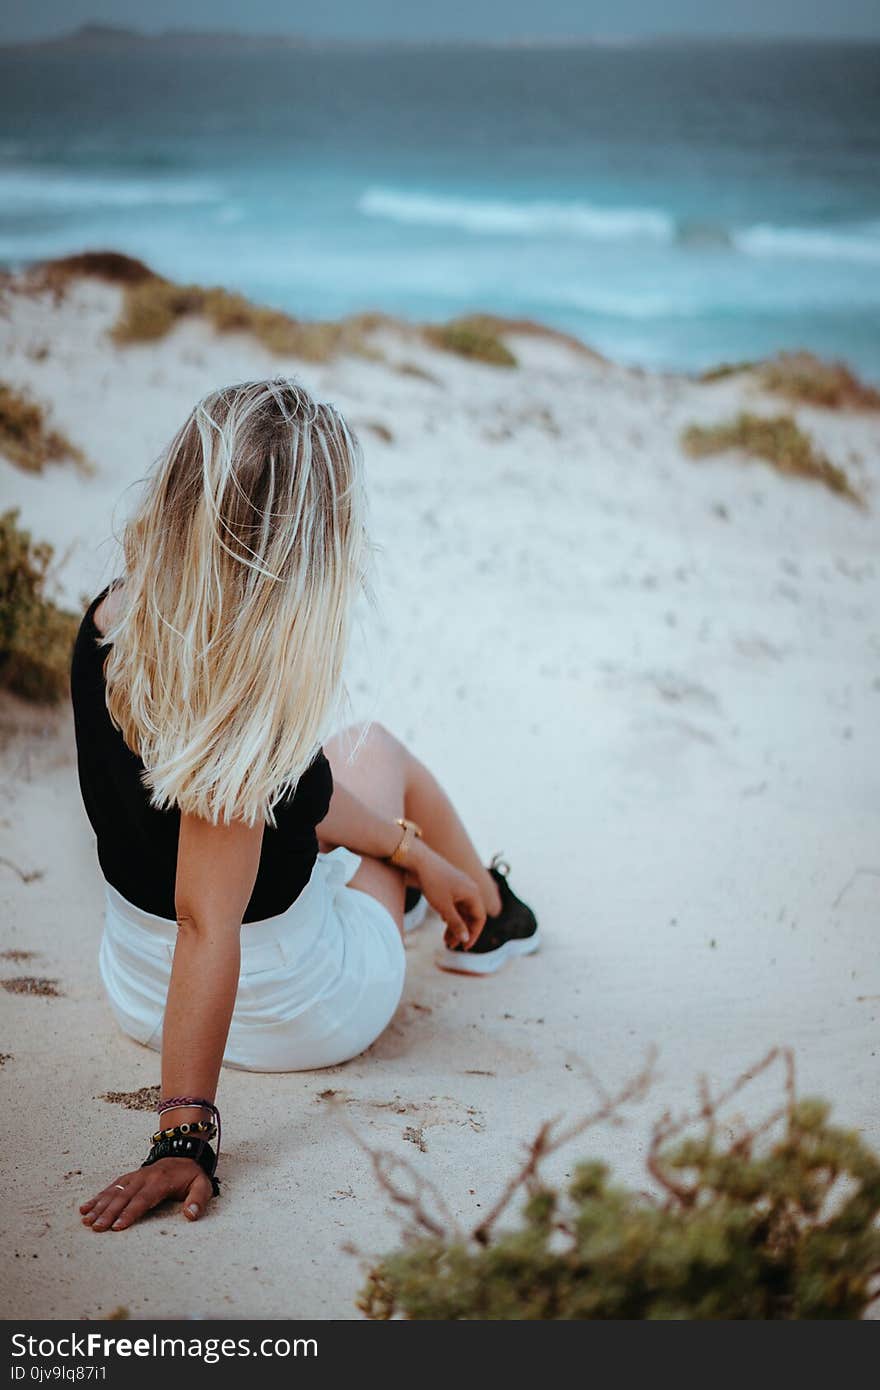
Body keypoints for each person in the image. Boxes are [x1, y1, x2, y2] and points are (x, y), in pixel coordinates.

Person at [70, 378, 539, 1234]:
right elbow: (208, 920)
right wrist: (185, 1133)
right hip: (296, 1007)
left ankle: (442, 872)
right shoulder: (237, 706)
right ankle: (492, 915)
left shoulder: (115, 618)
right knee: (379, 749)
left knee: (337, 778)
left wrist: (413, 850)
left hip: (137, 987)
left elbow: (298, 797)